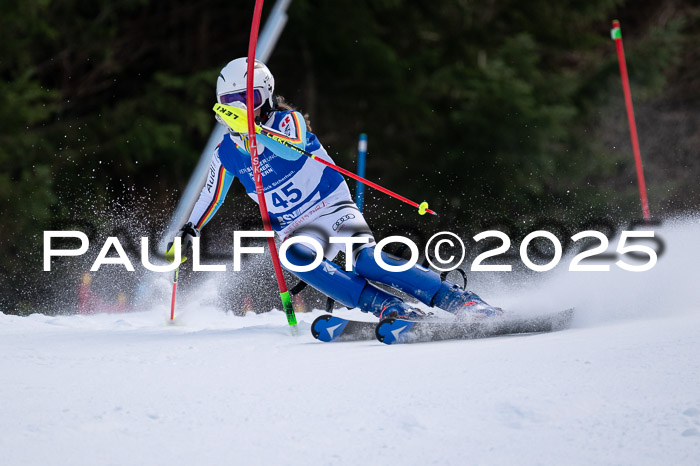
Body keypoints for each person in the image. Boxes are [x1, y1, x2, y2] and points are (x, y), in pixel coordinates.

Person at [167, 57, 500, 320]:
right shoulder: (225, 151)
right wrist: (190, 228)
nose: (240, 108)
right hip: (296, 228)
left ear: (265, 96)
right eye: (232, 102)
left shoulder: (287, 121)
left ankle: (455, 298)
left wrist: (254, 130)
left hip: (331, 207)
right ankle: (387, 307)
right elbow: (211, 195)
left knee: (365, 261)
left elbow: (290, 149)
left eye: (248, 99)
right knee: (294, 257)